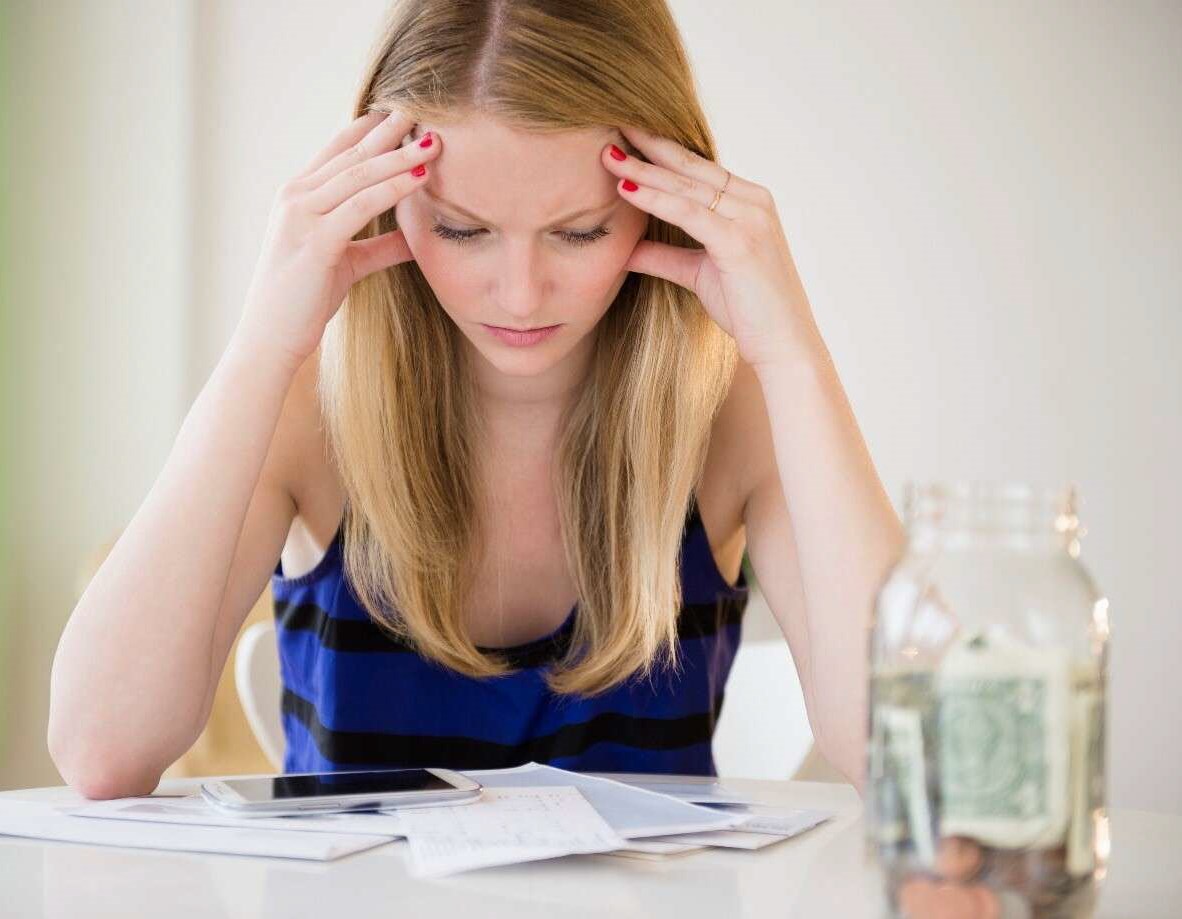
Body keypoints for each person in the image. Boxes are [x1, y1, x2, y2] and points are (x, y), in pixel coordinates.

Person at [47, 0, 903, 807]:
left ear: (662, 207)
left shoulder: (727, 410)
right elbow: (99, 750)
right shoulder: (312, 405)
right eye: (461, 229)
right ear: (381, 188)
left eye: (580, 231)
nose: (522, 295)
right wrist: (262, 344)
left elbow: (907, 757)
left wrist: (793, 354)